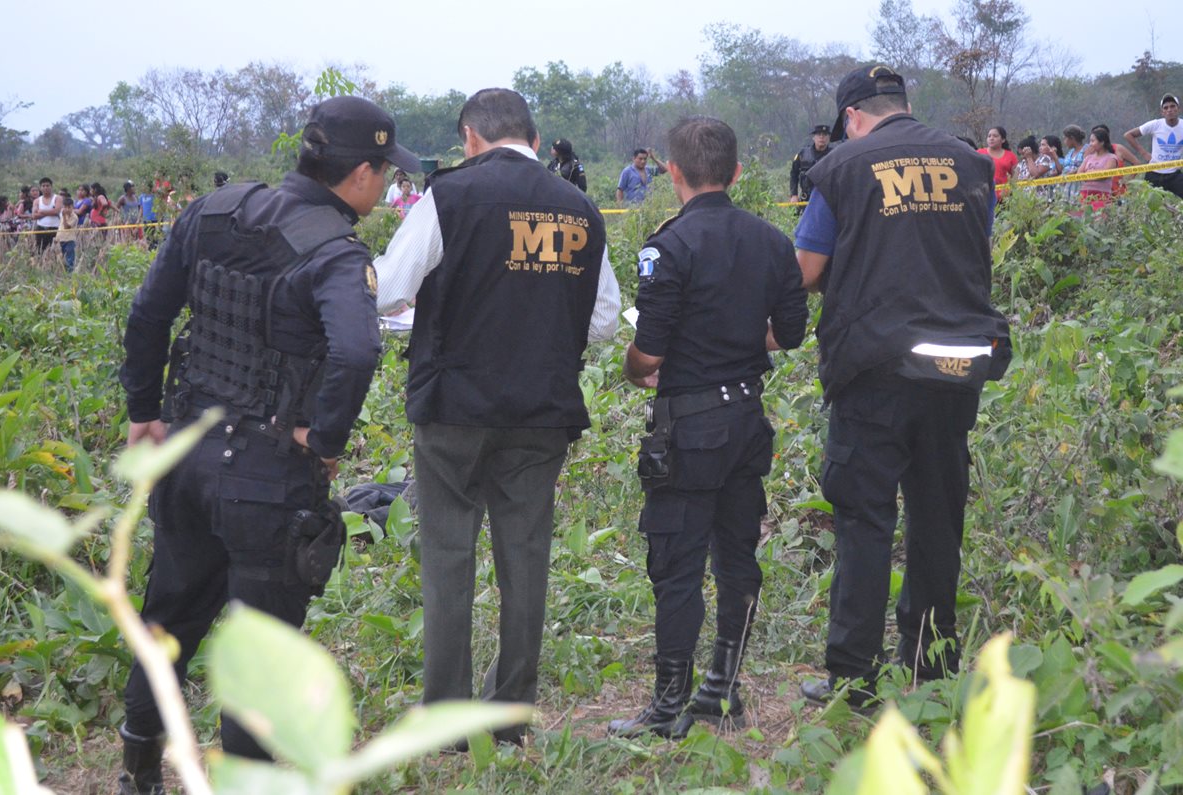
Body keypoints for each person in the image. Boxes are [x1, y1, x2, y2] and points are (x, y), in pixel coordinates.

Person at [114, 95, 418, 795]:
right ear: (362, 174)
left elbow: (148, 312)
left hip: (185, 452)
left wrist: (142, 413)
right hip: (269, 475)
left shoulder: (213, 209)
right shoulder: (337, 252)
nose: (388, 184)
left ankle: (136, 773)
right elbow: (357, 347)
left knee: (166, 620)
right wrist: (328, 440)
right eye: (385, 171)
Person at [373, 88, 619, 745]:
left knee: (449, 552)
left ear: (470, 138)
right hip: (542, 408)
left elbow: (391, 288)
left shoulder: (449, 196)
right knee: (526, 553)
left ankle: (449, 719)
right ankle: (511, 715)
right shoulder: (581, 208)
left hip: (454, 406)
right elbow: (600, 322)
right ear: (534, 140)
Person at [792, 65, 1010, 708]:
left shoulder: (841, 168)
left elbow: (806, 270)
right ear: (904, 106)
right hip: (955, 367)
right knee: (939, 515)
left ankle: (853, 675)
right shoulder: (972, 165)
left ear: (853, 116)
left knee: (863, 517)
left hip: (874, 369)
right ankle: (932, 662)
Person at [607, 117, 808, 739]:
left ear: (671, 173)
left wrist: (633, 369)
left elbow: (649, 348)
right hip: (747, 418)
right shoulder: (773, 241)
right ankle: (722, 688)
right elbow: (794, 333)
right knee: (736, 555)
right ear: (738, 173)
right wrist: (744, 337)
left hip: (690, 427)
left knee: (676, 563)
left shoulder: (668, 245)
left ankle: (669, 706)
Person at [1124, 93, 1183, 199]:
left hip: (1174, 174)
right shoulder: (1155, 124)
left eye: (1172, 106)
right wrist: (1144, 153)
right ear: (1162, 112)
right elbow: (1128, 135)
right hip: (1154, 173)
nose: (1169, 110)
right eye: (1166, 107)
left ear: (1178, 109)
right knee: (1149, 208)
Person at [789, 124, 835, 205]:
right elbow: (794, 174)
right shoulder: (803, 154)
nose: (821, 137)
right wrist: (794, 194)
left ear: (829, 138)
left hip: (827, 200)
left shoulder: (834, 154)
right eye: (819, 134)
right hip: (806, 198)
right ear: (813, 137)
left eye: (824, 135)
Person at [1077, 127, 1119, 211]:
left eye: (1093, 141)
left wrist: (1088, 173)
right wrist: (1095, 173)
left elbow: (1104, 175)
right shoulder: (1088, 158)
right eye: (1090, 141)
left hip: (1102, 195)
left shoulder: (1111, 158)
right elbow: (1079, 174)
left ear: (1102, 142)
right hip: (1085, 194)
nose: (1090, 144)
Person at [978, 126, 1017, 197]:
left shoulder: (1011, 156)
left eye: (995, 136)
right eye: (989, 136)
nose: (991, 138)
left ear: (1003, 140)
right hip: (983, 196)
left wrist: (1009, 191)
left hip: (1004, 198)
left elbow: (1015, 176)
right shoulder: (979, 153)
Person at [31, 177, 62, 254]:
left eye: (47, 186)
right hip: (41, 229)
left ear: (51, 186)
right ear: (40, 188)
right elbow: (34, 216)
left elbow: (56, 211)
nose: (45, 188)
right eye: (43, 186)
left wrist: (41, 212)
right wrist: (49, 212)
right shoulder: (37, 200)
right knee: (40, 251)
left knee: (55, 252)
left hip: (55, 229)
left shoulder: (58, 198)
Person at [1060, 125, 1087, 200]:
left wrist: (1072, 173)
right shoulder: (1070, 152)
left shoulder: (1086, 149)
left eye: (1065, 138)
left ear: (1072, 138)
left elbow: (1086, 165)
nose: (1064, 141)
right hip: (1066, 189)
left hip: (1079, 187)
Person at [55, 189, 78, 273]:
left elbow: (66, 227)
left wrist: (64, 216)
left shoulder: (74, 217)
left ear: (73, 207)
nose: (67, 209)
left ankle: (69, 275)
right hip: (61, 239)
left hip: (69, 240)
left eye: (69, 207)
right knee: (60, 258)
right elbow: (60, 227)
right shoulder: (62, 215)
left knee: (69, 259)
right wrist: (57, 238)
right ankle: (62, 273)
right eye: (65, 207)